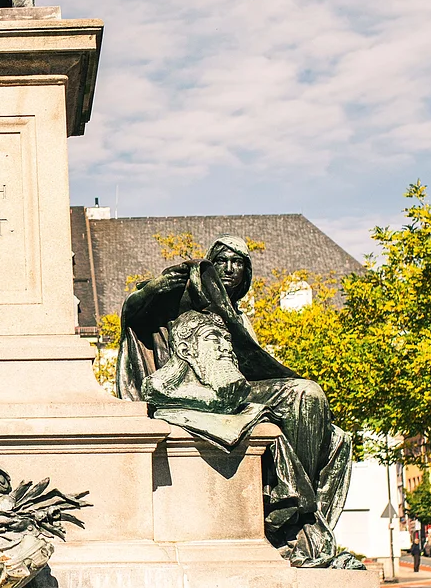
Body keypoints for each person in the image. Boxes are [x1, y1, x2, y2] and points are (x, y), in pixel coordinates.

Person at [119, 235, 359, 570]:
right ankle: (295, 517)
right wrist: (152, 289)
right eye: (223, 261)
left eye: (238, 263)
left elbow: (252, 370)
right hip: (200, 388)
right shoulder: (181, 298)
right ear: (211, 265)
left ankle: (298, 513)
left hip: (239, 390)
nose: (230, 269)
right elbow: (133, 313)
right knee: (303, 393)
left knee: (315, 405)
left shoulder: (239, 318)